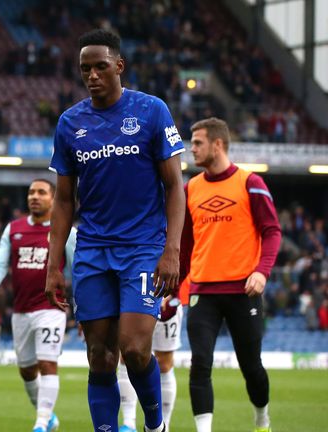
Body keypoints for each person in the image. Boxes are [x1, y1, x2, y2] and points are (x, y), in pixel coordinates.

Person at [44, 29, 186, 432]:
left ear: (119, 66)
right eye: (84, 69)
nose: (91, 75)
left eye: (100, 67)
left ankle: (155, 424)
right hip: (91, 250)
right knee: (99, 355)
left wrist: (171, 250)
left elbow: (175, 186)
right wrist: (55, 265)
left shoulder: (151, 111)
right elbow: (64, 200)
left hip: (142, 247)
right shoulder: (70, 122)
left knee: (136, 348)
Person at [181, 117, 281, 432]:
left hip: (243, 292)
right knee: (199, 364)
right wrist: (173, 286)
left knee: (251, 368)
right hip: (203, 292)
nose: (192, 149)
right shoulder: (190, 189)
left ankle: (262, 418)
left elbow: (272, 231)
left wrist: (262, 272)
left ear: (218, 144)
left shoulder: (250, 182)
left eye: (197, 143)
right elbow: (185, 246)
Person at [0, 179, 77, 432]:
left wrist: (83, 306)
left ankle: (41, 424)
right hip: (21, 310)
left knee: (47, 363)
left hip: (51, 307)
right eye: (31, 192)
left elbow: (78, 268)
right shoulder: (14, 229)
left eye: (41, 192)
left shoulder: (65, 229)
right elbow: (0, 263)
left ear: (53, 199)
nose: (34, 196)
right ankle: (47, 416)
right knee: (27, 371)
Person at [118, 294, 183, 432]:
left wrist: (173, 292)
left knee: (164, 363)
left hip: (165, 298)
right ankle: (128, 423)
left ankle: (164, 424)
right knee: (127, 355)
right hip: (134, 296)